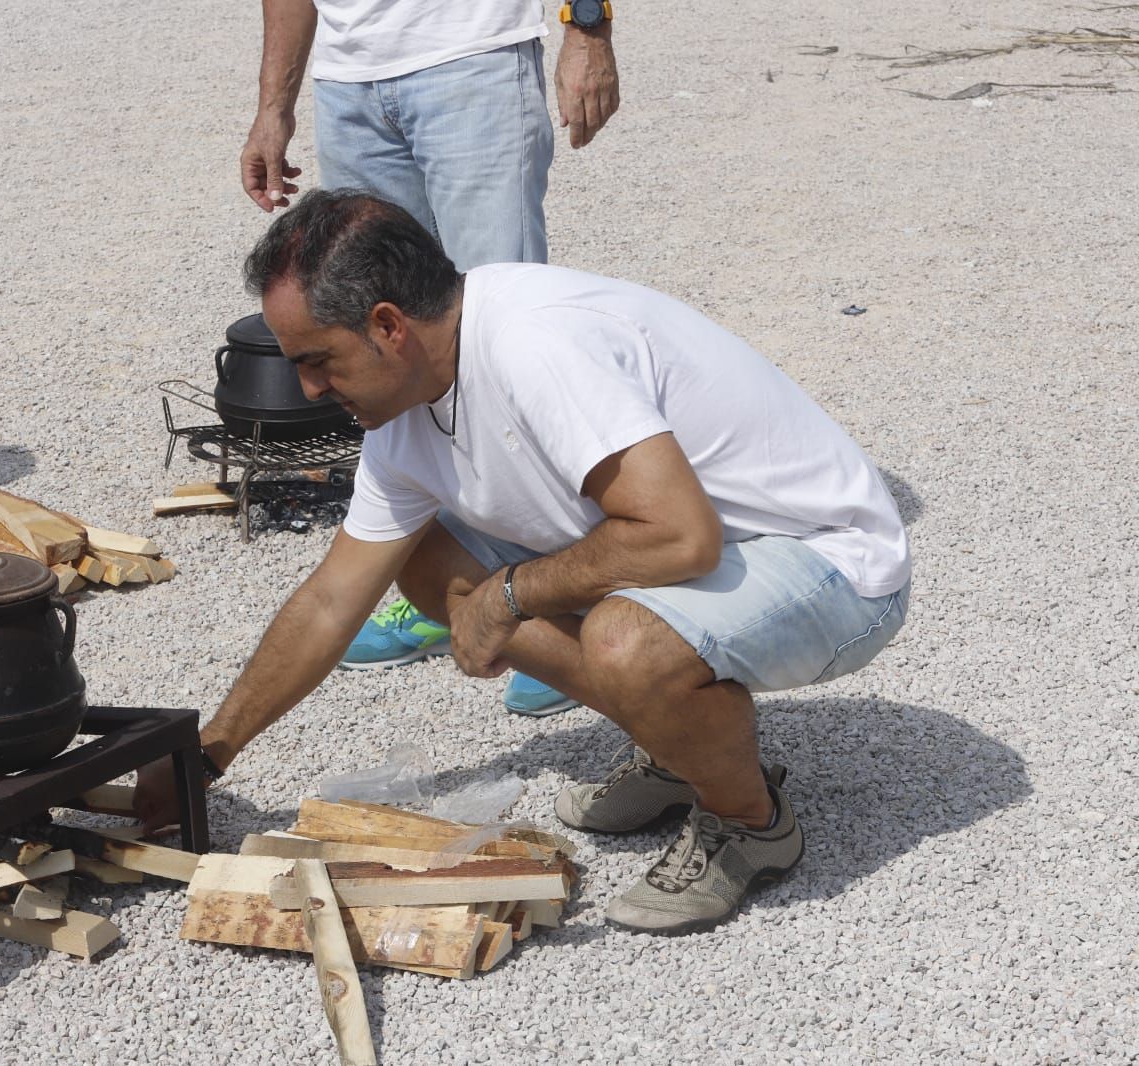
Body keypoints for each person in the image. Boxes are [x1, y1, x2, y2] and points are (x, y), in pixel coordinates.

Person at [138, 191, 912, 935]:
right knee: (424, 563)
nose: (307, 387)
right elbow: (333, 600)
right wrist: (211, 752)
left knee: (624, 640)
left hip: (829, 559)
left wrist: (510, 592)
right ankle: (683, 751)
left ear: (387, 325)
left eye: (317, 360)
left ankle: (751, 822)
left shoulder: (535, 342)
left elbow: (681, 539)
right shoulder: (402, 413)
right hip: (709, 550)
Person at [241, 0, 621, 716]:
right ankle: (449, 585)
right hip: (350, 81)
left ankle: (559, 605)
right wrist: (275, 105)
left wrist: (588, 30)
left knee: (493, 343)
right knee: (382, 351)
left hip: (471, 57)